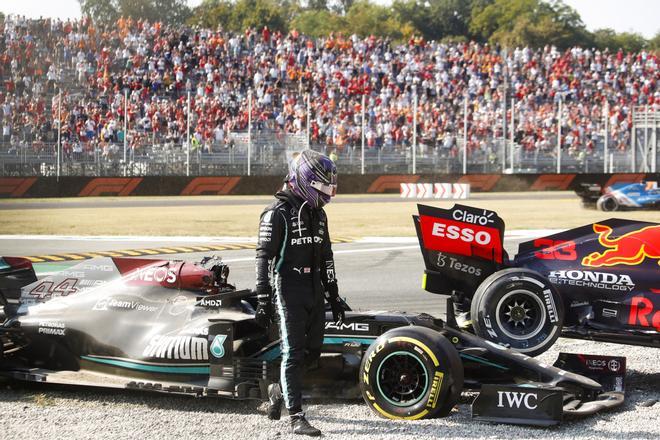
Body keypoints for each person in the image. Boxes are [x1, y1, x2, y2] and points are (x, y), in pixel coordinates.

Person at [254, 150, 344, 436]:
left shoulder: (319, 215)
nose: (327, 192)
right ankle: (296, 417)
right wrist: (263, 297)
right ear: (305, 181)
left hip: (314, 288)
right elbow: (264, 258)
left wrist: (333, 294)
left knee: (313, 352)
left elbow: (326, 256)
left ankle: (278, 391)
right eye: (322, 186)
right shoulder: (275, 213)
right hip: (288, 288)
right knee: (292, 353)